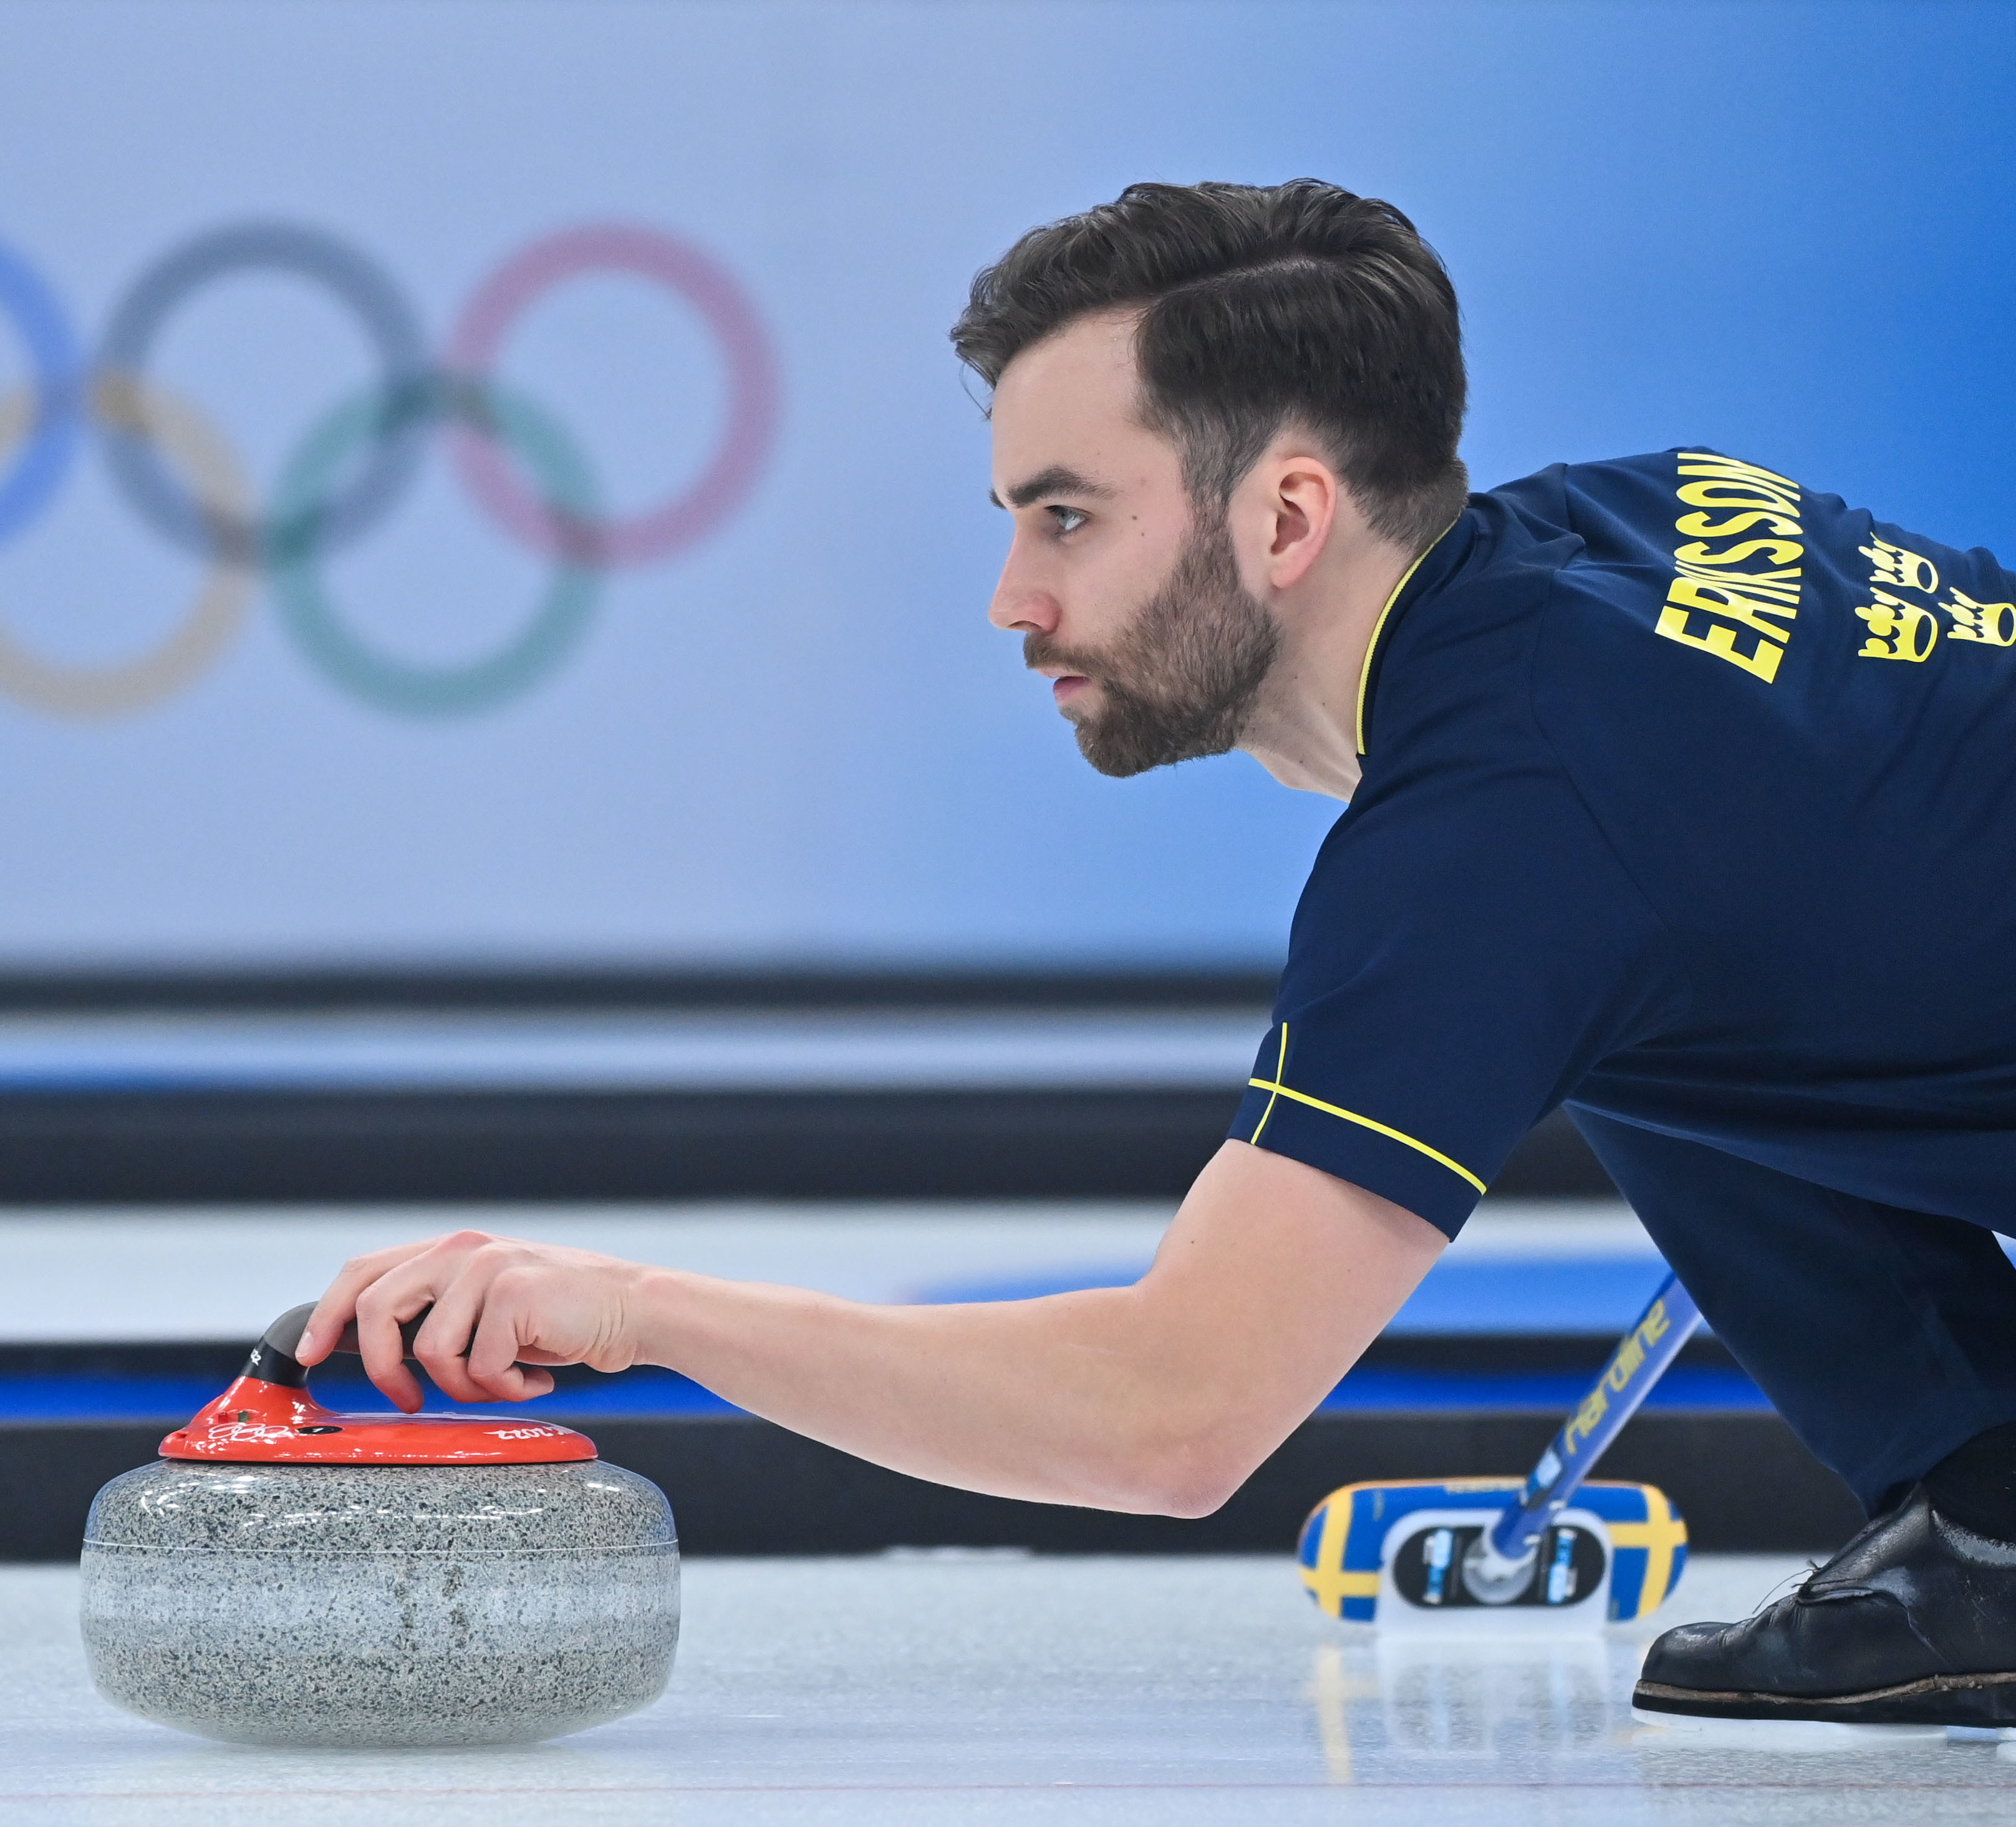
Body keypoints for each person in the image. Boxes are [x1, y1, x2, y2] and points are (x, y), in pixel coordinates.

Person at [297, 180, 2016, 1730]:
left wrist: (630, 1305)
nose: (1008, 598)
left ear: (1283, 518)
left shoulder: (1503, 835)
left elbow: (1165, 1417)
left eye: (1066, 519)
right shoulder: (1634, 533)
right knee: (1633, 998)